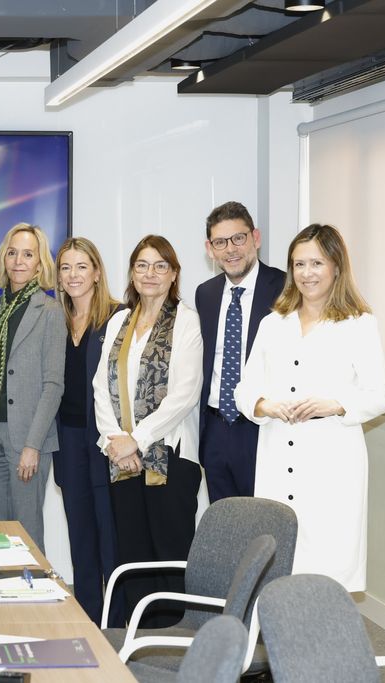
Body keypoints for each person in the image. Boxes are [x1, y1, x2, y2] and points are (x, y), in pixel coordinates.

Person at [235, 224, 385, 592]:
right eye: (299, 264)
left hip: (331, 466)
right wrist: (265, 405)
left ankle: (321, 647)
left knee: (325, 574)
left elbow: (380, 395)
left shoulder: (359, 324)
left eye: (317, 263)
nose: (307, 273)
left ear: (336, 266)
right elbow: (244, 390)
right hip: (276, 461)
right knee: (277, 569)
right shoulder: (273, 324)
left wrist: (335, 404)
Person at [93, 234, 203, 628]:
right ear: (132, 273)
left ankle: (174, 646)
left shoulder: (186, 320)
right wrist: (114, 441)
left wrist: (134, 440)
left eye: (160, 266)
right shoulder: (120, 319)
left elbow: (184, 394)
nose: (150, 273)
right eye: (142, 265)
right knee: (134, 556)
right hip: (122, 460)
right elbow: (100, 386)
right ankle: (141, 643)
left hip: (169, 458)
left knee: (169, 554)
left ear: (174, 274)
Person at [0, 223, 65, 554]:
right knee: (0, 531)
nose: (18, 261)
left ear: (40, 263)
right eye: (12, 253)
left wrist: (33, 446)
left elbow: (53, 384)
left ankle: (35, 601)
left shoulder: (51, 311)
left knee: (26, 533)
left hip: (28, 438)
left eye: (28, 254)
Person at [53, 236, 124, 626]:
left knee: (109, 541)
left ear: (96, 273)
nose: (73, 275)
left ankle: (114, 630)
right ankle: (87, 624)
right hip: (67, 441)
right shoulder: (55, 320)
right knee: (80, 541)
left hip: (105, 442)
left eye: (82, 266)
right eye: (66, 267)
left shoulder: (118, 317)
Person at [195, 201, 285, 502]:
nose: (231, 249)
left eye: (239, 238)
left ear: (255, 238)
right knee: (225, 529)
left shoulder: (286, 288)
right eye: (221, 242)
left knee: (265, 528)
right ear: (210, 249)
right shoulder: (205, 294)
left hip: (262, 427)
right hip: (216, 429)